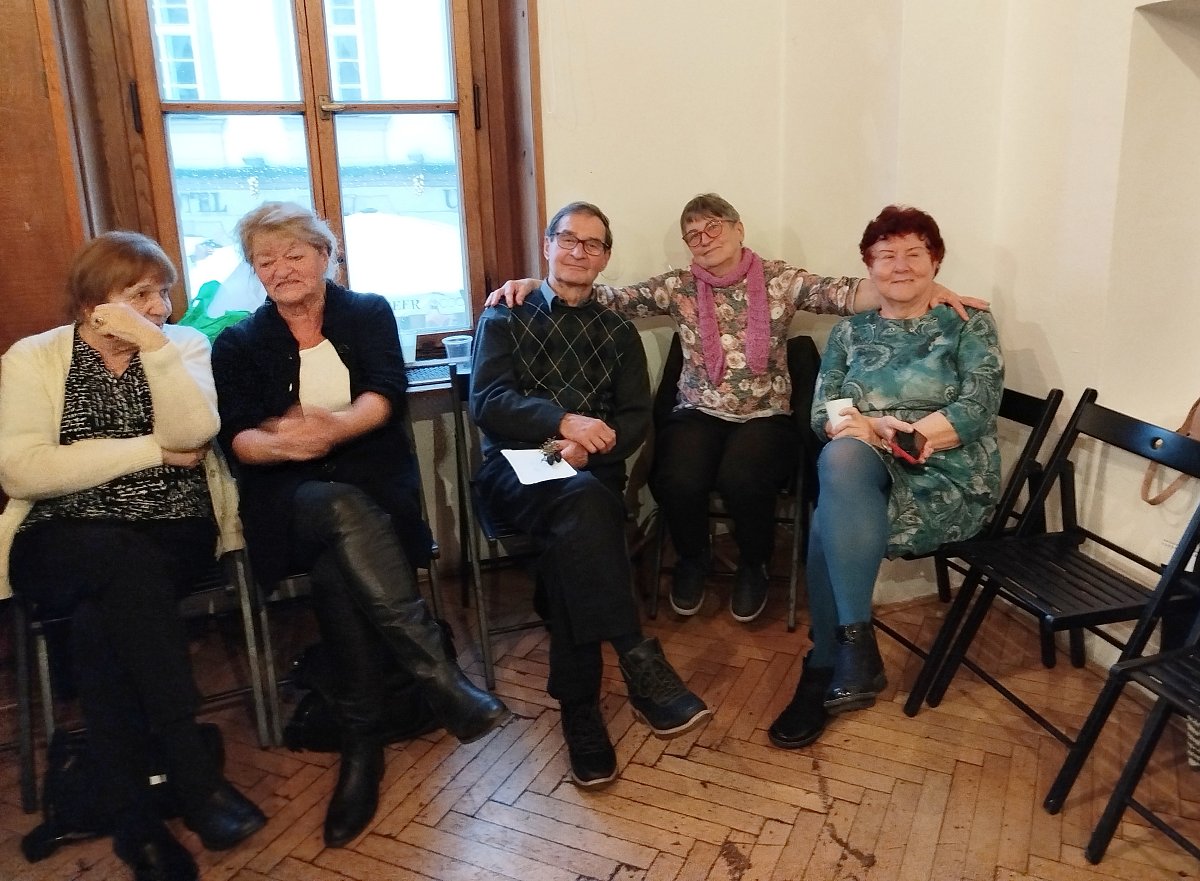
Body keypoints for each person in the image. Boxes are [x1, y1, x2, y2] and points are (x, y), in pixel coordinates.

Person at [489, 193, 984, 624]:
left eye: (713, 227)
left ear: (738, 229)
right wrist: (534, 282)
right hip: (696, 411)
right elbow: (602, 294)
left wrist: (927, 288)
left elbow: (849, 293)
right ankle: (692, 559)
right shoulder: (677, 286)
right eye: (693, 234)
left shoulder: (781, 279)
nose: (703, 239)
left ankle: (754, 565)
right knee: (677, 476)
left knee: (745, 477)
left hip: (766, 415)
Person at [210, 202, 509, 848]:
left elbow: (385, 393)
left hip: (375, 489)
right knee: (339, 513)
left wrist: (333, 429)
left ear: (325, 256)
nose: (281, 268)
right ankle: (439, 677)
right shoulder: (237, 342)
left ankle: (361, 745)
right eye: (265, 260)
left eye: (295, 253)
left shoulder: (368, 312)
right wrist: (287, 444)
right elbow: (238, 439)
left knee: (339, 564)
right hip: (286, 499)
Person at [0, 232, 266, 881]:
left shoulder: (182, 346)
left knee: (102, 616)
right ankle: (194, 774)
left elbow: (193, 434)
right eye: (140, 294)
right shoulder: (33, 357)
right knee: (118, 565)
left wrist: (155, 349)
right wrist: (150, 451)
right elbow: (22, 470)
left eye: (163, 291)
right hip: (58, 537)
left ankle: (135, 823)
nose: (160, 307)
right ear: (92, 302)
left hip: (172, 530)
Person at [471, 200, 711, 788]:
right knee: (584, 511)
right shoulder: (505, 317)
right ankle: (634, 655)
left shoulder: (619, 332)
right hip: (515, 470)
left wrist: (584, 449)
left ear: (605, 258)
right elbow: (489, 403)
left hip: (589, 475)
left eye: (593, 244)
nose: (579, 252)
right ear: (547, 246)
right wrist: (563, 424)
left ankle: (580, 710)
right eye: (568, 240)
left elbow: (633, 418)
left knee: (576, 526)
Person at [767, 205, 1003, 750]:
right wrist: (866, 429)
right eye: (886, 255)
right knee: (841, 458)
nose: (900, 265)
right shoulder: (850, 332)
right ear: (869, 268)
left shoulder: (968, 323)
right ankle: (854, 646)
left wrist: (900, 434)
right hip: (863, 461)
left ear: (935, 261)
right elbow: (824, 411)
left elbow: (978, 407)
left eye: (914, 253)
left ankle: (829, 660)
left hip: (945, 471)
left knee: (829, 513)